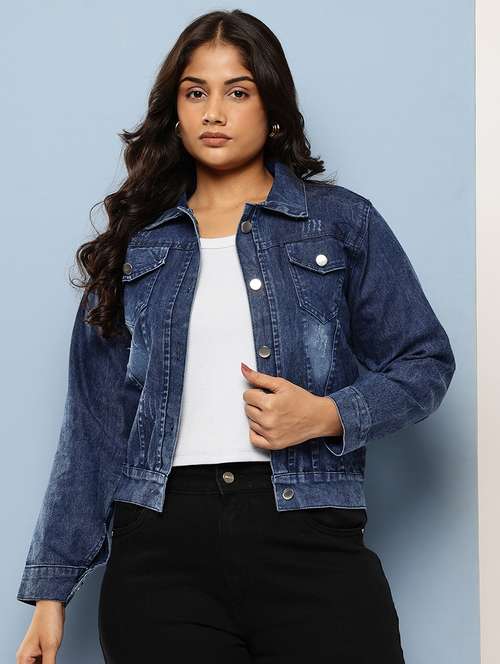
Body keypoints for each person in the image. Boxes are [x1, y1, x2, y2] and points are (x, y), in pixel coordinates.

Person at [15, 9, 456, 664]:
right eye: (196, 92)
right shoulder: (135, 247)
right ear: (175, 111)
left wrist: (328, 414)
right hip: (159, 557)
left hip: (309, 534)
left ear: (271, 108)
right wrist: (52, 591)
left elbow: (424, 362)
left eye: (238, 91)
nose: (214, 112)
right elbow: (93, 428)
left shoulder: (340, 223)